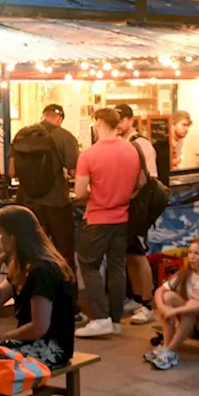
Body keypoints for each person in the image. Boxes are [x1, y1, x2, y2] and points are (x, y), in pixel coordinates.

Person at [0, 205, 76, 396]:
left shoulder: (43, 269)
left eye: (1, 233)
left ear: (16, 235)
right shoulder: (24, 266)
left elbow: (39, 327)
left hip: (51, 347)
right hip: (34, 341)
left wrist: (3, 338)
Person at [73, 107, 141, 338]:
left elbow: (79, 192)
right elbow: (140, 181)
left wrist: (95, 188)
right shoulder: (132, 149)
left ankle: (100, 318)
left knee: (89, 265)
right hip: (122, 217)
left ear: (99, 122)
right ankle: (115, 320)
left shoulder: (89, 155)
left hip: (97, 218)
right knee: (117, 268)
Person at [146, 236, 199, 370]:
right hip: (193, 322)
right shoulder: (186, 273)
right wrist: (164, 308)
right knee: (168, 296)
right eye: (190, 252)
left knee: (192, 305)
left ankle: (171, 351)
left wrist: (175, 311)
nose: (192, 257)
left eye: (197, 254)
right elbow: (160, 291)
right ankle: (167, 347)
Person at [11, 103, 79, 270]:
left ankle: (29, 289)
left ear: (43, 115)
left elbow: (12, 171)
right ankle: (66, 291)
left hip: (27, 202)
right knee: (64, 251)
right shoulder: (65, 136)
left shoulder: (21, 134)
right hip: (57, 203)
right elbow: (74, 172)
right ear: (59, 119)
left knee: (29, 251)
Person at [116, 103, 159, 324]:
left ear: (130, 120)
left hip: (138, 208)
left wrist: (130, 194)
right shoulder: (118, 144)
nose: (118, 123)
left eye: (121, 119)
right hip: (123, 206)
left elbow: (149, 177)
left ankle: (147, 303)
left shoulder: (141, 144)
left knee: (139, 255)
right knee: (129, 255)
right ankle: (134, 296)